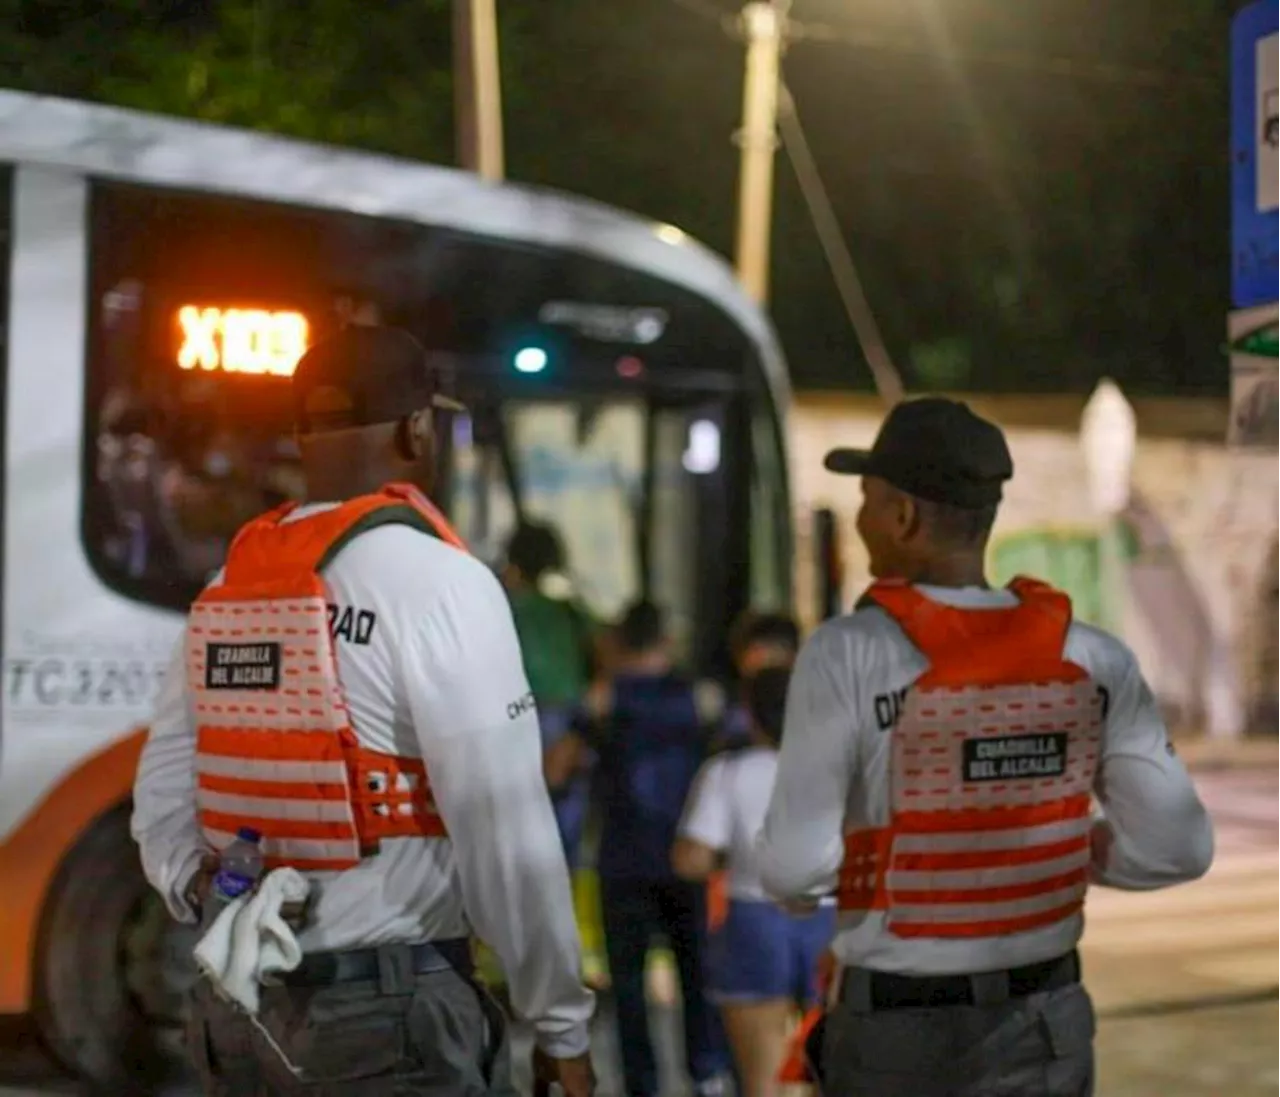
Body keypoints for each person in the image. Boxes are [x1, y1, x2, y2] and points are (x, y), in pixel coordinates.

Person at [131, 326, 596, 1097]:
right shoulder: (443, 583)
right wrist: (560, 1026)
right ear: (418, 430)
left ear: (302, 435)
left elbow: (163, 798)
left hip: (238, 1014)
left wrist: (224, 907)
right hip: (386, 1015)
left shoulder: (230, 585)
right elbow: (503, 825)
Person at [756, 397, 1215, 1097]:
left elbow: (794, 870)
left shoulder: (845, 654)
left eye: (868, 500)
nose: (859, 518)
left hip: (894, 1039)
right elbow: (1177, 846)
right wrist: (1046, 852)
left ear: (903, 516)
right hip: (1043, 1026)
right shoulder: (1094, 657)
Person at [570, 600, 733, 1097]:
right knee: (697, 975)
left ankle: (643, 1085)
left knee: (630, 988)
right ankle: (706, 1075)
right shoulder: (702, 698)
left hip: (623, 861)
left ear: (617, 643)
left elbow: (560, 765)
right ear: (666, 641)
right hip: (689, 858)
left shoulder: (602, 699)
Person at [673, 664, 835, 1097]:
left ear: (751, 714)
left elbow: (691, 860)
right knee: (835, 1073)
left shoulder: (726, 772)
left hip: (754, 922)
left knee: (762, 1082)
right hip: (833, 923)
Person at [502, 519, 596, 865]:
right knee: (563, 821)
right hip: (568, 720)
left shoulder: (502, 607)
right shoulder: (570, 610)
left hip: (514, 716)